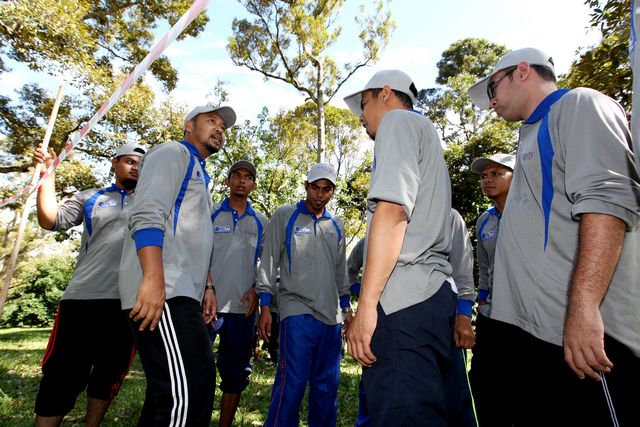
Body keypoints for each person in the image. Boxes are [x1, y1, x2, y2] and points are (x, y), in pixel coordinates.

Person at [468, 47, 640, 426]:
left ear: (523, 71)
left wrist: (584, 309)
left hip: (581, 338)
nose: (491, 101)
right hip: (534, 334)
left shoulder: (579, 105)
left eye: (493, 87)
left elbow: (607, 203)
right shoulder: (531, 135)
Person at [344, 70, 456, 426]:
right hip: (431, 297)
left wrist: (366, 307)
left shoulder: (398, 122)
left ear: (386, 94)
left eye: (364, 104)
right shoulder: (425, 133)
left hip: (404, 302)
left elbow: (392, 214)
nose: (361, 116)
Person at [118, 104, 236, 426]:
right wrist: (153, 280)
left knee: (167, 393)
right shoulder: (173, 152)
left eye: (223, 126)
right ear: (188, 125)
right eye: (211, 120)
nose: (219, 128)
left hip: (181, 291)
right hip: (165, 290)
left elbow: (194, 238)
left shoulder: (199, 173)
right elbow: (147, 215)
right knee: (190, 390)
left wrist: (207, 287)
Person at [32, 142, 144, 427]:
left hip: (127, 303)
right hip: (82, 298)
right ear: (114, 163)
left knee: (109, 376)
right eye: (129, 161)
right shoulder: (90, 196)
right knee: (61, 375)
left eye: (141, 164)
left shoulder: (151, 202)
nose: (136, 167)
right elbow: (50, 219)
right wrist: (47, 176)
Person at [349, 210, 477, 427]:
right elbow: (352, 268)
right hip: (389, 319)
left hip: (440, 320)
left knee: (451, 393)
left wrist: (463, 315)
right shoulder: (383, 217)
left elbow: (463, 270)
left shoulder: (449, 217)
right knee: (386, 397)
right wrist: (366, 296)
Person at [256, 163, 352, 427]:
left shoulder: (336, 224)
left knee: (326, 387)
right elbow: (269, 260)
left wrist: (346, 309)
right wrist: (265, 305)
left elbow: (340, 270)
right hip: (296, 310)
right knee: (292, 383)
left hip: (331, 316)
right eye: (315, 188)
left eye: (327, 189)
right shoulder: (285, 216)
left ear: (332, 191)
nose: (320, 194)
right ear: (306, 186)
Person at [208, 160, 268, 427]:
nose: (242, 180)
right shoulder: (210, 213)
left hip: (242, 310)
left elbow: (269, 263)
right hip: (206, 307)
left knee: (235, 375)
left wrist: (257, 289)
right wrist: (207, 288)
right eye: (236, 175)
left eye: (248, 177)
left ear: (253, 185)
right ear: (228, 181)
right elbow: (196, 254)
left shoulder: (261, 222)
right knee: (195, 369)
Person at [467, 153, 514, 425]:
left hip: (525, 316)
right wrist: (482, 302)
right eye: (484, 176)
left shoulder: (532, 213)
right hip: (492, 314)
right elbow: (484, 267)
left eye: (496, 174)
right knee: (482, 379)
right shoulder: (484, 221)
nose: (487, 180)